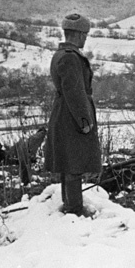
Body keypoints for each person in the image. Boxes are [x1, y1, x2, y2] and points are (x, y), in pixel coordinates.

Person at [44, 13, 101, 216]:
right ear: (77, 35)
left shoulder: (61, 55)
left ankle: (70, 204)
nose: (85, 39)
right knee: (74, 163)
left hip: (64, 114)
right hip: (71, 115)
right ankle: (74, 209)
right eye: (84, 35)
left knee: (68, 162)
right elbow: (75, 94)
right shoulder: (70, 57)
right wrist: (84, 121)